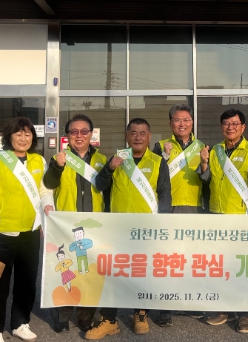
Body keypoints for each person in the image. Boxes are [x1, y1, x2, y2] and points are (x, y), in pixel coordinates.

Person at [86, 118, 172, 340]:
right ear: (126, 136)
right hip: (118, 229)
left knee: (142, 272)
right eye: (133, 133)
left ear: (149, 137)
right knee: (112, 273)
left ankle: (140, 313)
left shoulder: (158, 162)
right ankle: (109, 319)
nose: (138, 137)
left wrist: (163, 225)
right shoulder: (117, 158)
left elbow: (164, 194)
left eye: (143, 133)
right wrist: (109, 168)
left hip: (146, 229)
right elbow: (100, 185)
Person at [0, 117, 54, 342]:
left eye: (27, 134)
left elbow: (45, 190)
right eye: (18, 134)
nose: (23, 138)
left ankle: (20, 323)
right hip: (2, 232)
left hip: (30, 231)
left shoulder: (39, 160)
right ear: (9, 136)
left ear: (33, 138)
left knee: (27, 282)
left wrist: (48, 205)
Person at [200, 109, 248, 334]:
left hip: (241, 217)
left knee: (242, 267)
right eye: (226, 123)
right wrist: (204, 164)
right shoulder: (214, 150)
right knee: (221, 266)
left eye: (235, 124)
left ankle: (244, 314)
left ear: (243, 127)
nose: (230, 127)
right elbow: (206, 180)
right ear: (221, 127)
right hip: (216, 215)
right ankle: (223, 309)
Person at [43, 114, 108, 333]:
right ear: (67, 135)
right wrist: (57, 166)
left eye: (84, 131)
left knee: (90, 274)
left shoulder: (102, 160)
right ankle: (62, 316)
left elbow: (107, 191)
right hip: (65, 226)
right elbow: (49, 184)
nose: (79, 136)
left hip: (94, 225)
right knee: (65, 271)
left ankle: (85, 317)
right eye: (74, 131)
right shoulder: (59, 158)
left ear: (91, 134)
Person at [152, 103, 209, 326]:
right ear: (170, 123)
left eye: (186, 120)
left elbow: (208, 180)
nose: (182, 124)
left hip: (195, 208)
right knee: (168, 258)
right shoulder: (160, 146)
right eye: (177, 120)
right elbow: (152, 176)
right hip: (168, 208)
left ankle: (191, 302)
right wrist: (164, 157)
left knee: (193, 258)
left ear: (192, 123)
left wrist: (204, 164)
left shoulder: (203, 147)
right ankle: (165, 307)